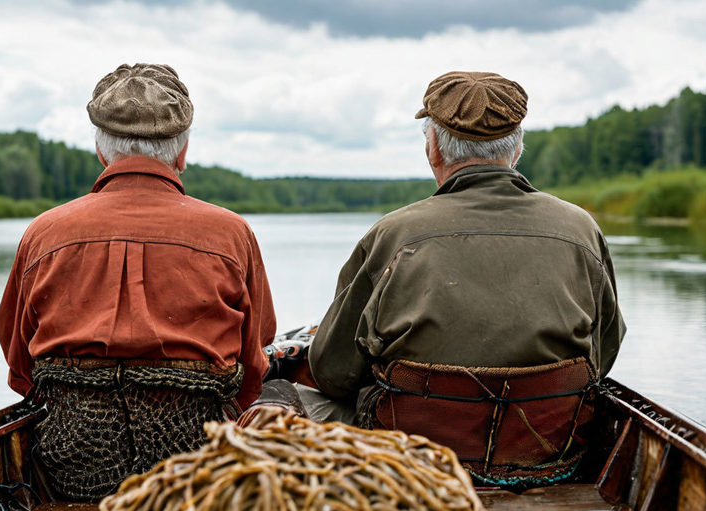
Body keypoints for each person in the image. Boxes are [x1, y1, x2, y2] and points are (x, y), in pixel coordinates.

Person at [265, 71, 625, 486]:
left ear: (433, 147)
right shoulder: (581, 229)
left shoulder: (393, 235)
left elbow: (331, 372)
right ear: (517, 147)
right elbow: (603, 354)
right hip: (551, 456)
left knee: (278, 398)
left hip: (407, 460)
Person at [0, 63, 277, 500]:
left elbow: (19, 366)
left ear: (101, 152)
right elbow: (254, 363)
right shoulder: (231, 233)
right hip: (197, 470)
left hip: (72, 468)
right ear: (182, 153)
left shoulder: (43, 233)